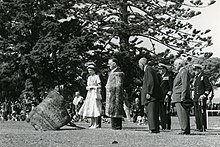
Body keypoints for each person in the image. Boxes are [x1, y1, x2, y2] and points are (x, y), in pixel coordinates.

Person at [138, 57, 163, 133]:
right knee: (153, 112)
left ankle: (153, 128)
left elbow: (150, 81)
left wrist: (149, 92)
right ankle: (155, 127)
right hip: (154, 95)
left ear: (142, 64)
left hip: (151, 96)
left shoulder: (148, 69)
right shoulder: (151, 69)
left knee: (151, 111)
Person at [78, 64, 102, 129]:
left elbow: (99, 86)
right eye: (89, 70)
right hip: (89, 94)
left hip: (94, 93)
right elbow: (87, 86)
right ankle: (91, 123)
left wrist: (93, 87)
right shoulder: (89, 77)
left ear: (94, 70)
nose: (90, 72)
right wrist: (88, 87)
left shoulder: (96, 77)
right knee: (90, 107)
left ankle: (96, 123)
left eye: (91, 70)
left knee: (95, 107)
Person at [172, 58, 191, 135]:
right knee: (180, 114)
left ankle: (184, 129)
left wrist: (183, 96)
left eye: (175, 65)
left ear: (180, 64)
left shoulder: (183, 72)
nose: (174, 67)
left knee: (182, 113)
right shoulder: (180, 72)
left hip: (180, 96)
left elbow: (184, 84)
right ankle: (184, 128)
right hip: (177, 96)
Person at [105, 58, 125, 130]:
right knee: (113, 109)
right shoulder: (112, 71)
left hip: (116, 93)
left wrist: (111, 88)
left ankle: (117, 125)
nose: (109, 65)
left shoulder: (118, 72)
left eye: (110, 64)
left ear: (114, 63)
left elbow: (119, 84)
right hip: (112, 93)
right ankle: (114, 124)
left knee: (116, 109)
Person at [192, 64, 212, 132]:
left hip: (201, 97)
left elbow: (208, 87)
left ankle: (203, 126)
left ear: (199, 69)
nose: (194, 71)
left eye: (195, 70)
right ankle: (198, 126)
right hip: (196, 98)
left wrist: (204, 95)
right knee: (197, 113)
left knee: (201, 112)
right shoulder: (196, 78)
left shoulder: (204, 77)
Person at [158, 63, 173, 130]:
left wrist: (168, 95)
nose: (159, 70)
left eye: (161, 69)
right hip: (160, 96)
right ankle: (163, 125)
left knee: (166, 111)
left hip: (166, 96)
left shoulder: (168, 76)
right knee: (161, 111)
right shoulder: (159, 77)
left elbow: (170, 87)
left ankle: (167, 125)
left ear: (164, 69)